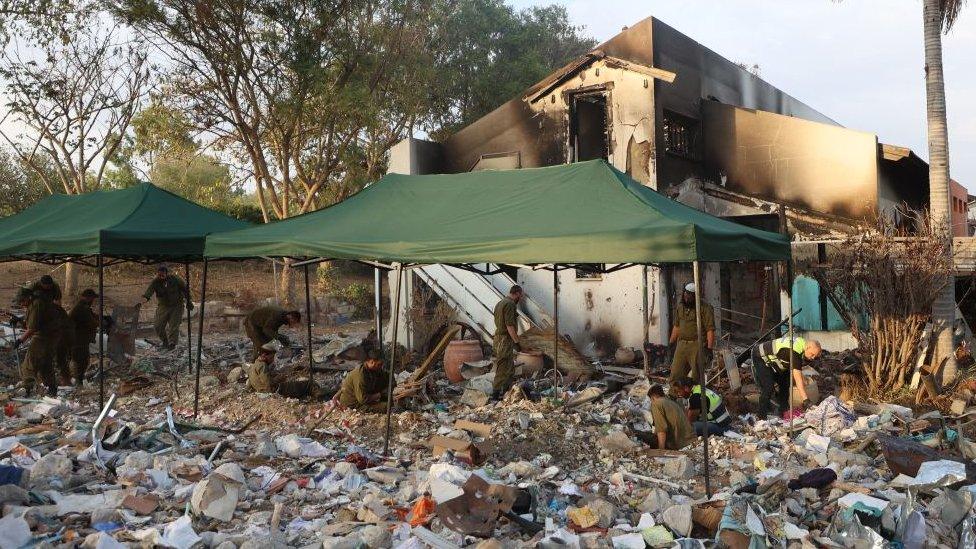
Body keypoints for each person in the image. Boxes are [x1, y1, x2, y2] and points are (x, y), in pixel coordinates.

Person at [5, 288, 60, 397]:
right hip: (49, 338)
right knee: (45, 364)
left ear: (28, 297)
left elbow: (32, 328)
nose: (21, 304)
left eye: (22, 301)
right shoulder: (35, 304)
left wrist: (20, 340)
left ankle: (27, 389)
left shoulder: (36, 305)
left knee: (28, 365)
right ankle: (52, 388)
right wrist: (18, 320)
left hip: (42, 338)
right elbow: (31, 322)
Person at [752, 335, 823, 417]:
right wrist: (805, 400)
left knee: (785, 384)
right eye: (812, 354)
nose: (813, 358)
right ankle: (761, 415)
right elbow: (797, 378)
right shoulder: (794, 353)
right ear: (807, 347)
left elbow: (796, 370)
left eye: (815, 356)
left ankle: (783, 412)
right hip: (760, 357)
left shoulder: (802, 343)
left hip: (775, 359)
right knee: (768, 387)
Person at [668, 283, 715, 384]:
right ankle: (674, 396)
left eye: (689, 295)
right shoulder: (680, 307)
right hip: (682, 344)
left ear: (695, 296)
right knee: (675, 374)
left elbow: (710, 330)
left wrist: (709, 349)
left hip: (697, 345)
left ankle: (696, 397)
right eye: (685, 294)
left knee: (696, 377)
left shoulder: (705, 308)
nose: (686, 297)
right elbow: (677, 326)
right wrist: (671, 343)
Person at [141, 265, 191, 349]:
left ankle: (172, 344)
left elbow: (185, 289)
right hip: (163, 306)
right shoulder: (155, 282)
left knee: (174, 326)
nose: (160, 277)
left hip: (177, 305)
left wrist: (189, 300)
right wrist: (144, 299)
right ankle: (165, 342)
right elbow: (149, 292)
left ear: (166, 274)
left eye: (162, 275)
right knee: (158, 325)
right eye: (159, 275)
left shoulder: (175, 279)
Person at [492, 285, 523, 400]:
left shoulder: (500, 303)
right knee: (503, 368)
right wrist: (517, 342)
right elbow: (509, 326)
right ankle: (495, 396)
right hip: (504, 340)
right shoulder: (510, 304)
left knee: (509, 368)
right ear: (517, 293)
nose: (521, 298)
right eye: (521, 295)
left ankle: (505, 393)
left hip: (499, 339)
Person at [647, 384, 697, 450]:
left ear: (653, 397)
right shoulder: (671, 402)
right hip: (691, 440)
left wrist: (661, 450)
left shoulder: (656, 404)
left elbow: (661, 430)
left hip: (681, 444)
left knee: (643, 436)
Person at [68, 289, 99, 386]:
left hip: (80, 339)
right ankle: (78, 381)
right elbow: (92, 323)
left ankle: (78, 380)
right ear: (87, 298)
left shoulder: (83, 307)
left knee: (83, 360)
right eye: (92, 298)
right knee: (80, 361)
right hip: (77, 340)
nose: (93, 301)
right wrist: (100, 321)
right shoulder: (82, 308)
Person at [53, 302, 73, 386]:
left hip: (59, 338)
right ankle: (65, 380)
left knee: (60, 360)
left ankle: (65, 381)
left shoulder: (52, 309)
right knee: (61, 361)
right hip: (62, 338)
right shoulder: (56, 308)